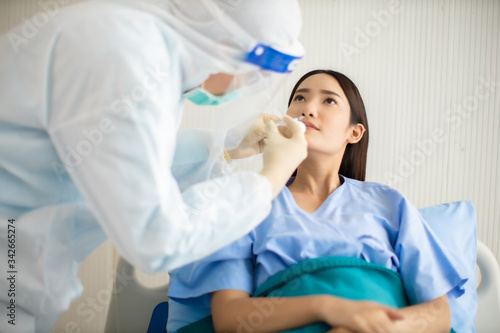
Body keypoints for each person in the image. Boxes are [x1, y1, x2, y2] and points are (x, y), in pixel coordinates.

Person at [0, 0, 308, 331]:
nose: (242, 87)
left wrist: (227, 148)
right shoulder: (124, 58)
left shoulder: (142, 48)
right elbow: (157, 239)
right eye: (250, 77)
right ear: (223, 46)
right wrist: (268, 181)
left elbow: (122, 165)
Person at [167, 70, 468, 333]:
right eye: (299, 98)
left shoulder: (389, 203)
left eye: (328, 101)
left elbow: (438, 314)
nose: (308, 108)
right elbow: (230, 318)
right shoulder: (249, 201)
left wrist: (375, 326)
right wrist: (327, 307)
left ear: (354, 132)